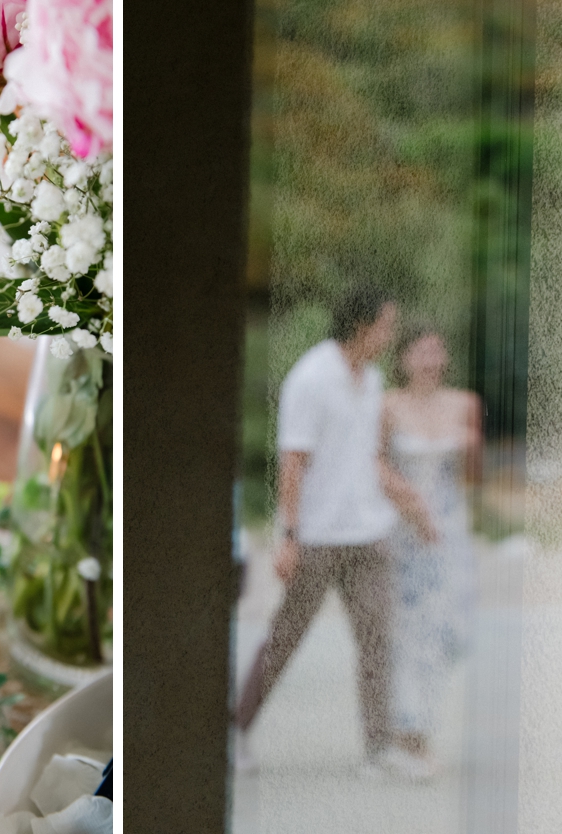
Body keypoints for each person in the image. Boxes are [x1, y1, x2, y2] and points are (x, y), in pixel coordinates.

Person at [233, 284, 405, 770]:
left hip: (368, 533)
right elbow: (293, 462)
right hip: (317, 536)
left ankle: (379, 748)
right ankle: (235, 731)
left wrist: (402, 504)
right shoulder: (311, 378)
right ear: (361, 326)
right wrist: (288, 537)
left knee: (377, 640)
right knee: (285, 639)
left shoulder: (371, 380)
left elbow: (369, 457)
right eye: (386, 325)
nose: (390, 335)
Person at [380, 324, 481, 779]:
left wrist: (473, 450)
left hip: (451, 527)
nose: (431, 359)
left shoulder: (465, 403)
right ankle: (412, 736)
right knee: (411, 632)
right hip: (404, 529)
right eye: (422, 351)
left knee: (452, 632)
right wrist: (408, 503)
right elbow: (375, 463)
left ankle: (412, 731)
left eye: (438, 351)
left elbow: (475, 477)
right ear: (404, 359)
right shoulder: (388, 406)